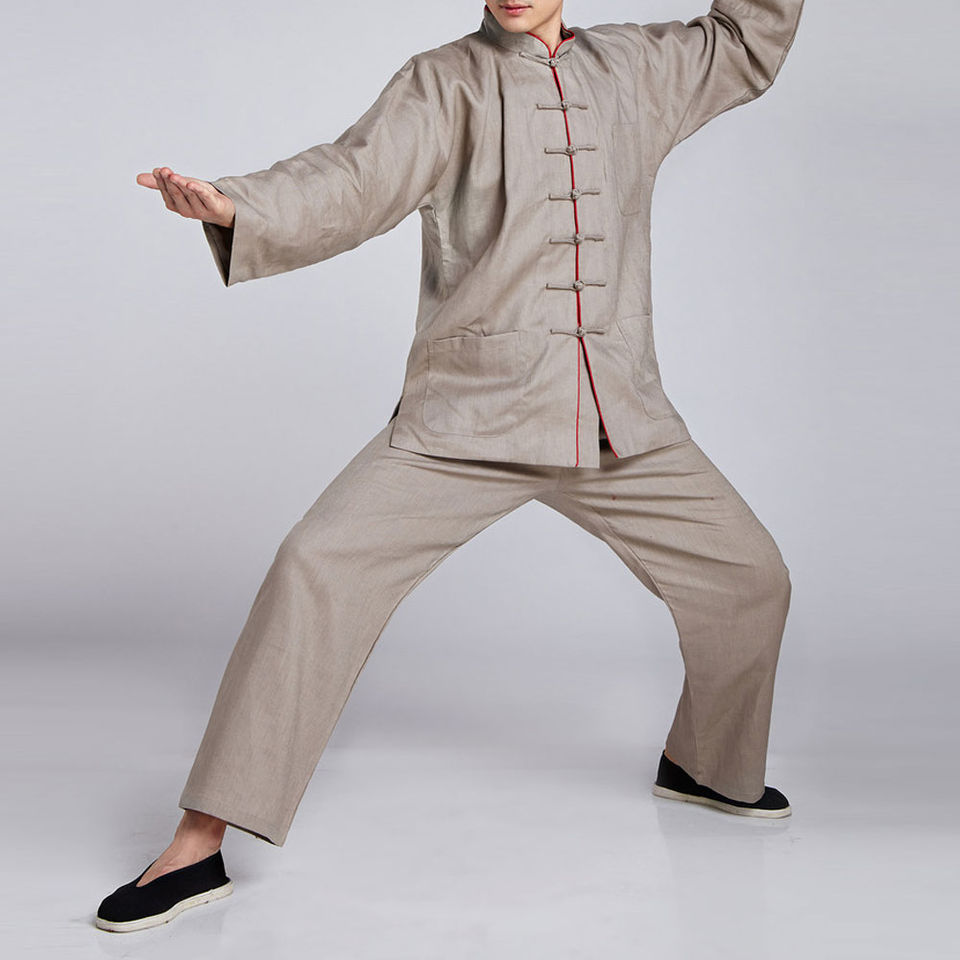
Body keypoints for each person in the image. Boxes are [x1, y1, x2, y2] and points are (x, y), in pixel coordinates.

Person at [96, 0, 805, 933]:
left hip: (618, 417)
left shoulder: (641, 69)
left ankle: (708, 766)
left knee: (750, 579)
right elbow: (352, 179)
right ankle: (197, 842)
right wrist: (239, 206)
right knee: (317, 565)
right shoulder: (444, 83)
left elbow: (746, 41)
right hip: (468, 418)